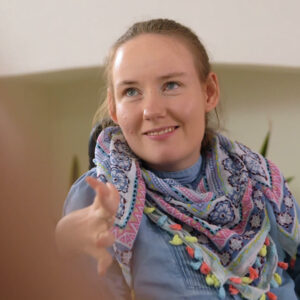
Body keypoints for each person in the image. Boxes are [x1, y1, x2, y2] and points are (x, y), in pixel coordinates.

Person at [55, 19, 300, 300]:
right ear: (113, 107)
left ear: (209, 92)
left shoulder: (260, 183)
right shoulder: (100, 198)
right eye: (131, 92)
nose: (151, 110)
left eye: (171, 85)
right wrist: (66, 252)